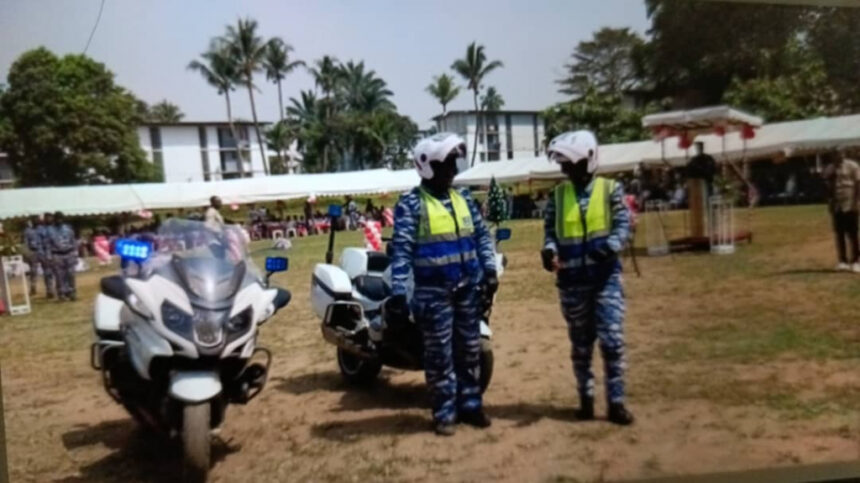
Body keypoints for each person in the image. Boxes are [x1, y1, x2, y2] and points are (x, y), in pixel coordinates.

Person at [388, 133, 498, 436]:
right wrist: (399, 291)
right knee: (440, 358)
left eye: (453, 163)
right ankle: (445, 412)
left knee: (470, 352)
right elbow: (402, 249)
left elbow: (482, 238)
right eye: (445, 164)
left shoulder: (463, 200)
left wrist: (489, 269)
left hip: (467, 291)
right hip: (433, 295)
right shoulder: (411, 203)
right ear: (427, 166)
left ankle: (471, 406)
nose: (452, 170)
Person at [541, 130, 634, 426]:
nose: (567, 170)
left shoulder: (610, 190)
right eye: (564, 165)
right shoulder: (557, 196)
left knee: (612, 341)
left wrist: (611, 247)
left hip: (605, 279)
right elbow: (550, 233)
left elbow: (623, 225)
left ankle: (616, 403)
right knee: (581, 345)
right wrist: (548, 251)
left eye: (572, 164)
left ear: (589, 161)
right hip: (571, 283)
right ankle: (586, 399)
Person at [822, 149, 860, 272]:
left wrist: (857, 200)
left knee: (853, 233)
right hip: (837, 204)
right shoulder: (830, 168)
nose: (838, 156)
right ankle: (842, 260)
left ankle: (856, 260)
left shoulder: (852, 166)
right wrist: (830, 202)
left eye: (840, 153)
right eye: (836, 154)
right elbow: (827, 186)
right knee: (839, 234)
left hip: (850, 202)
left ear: (844, 154)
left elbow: (858, 183)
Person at [23, 216, 55, 298]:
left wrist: (48, 253)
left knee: (47, 272)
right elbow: (26, 243)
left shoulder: (43, 229)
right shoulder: (28, 231)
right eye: (34, 220)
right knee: (33, 272)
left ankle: (49, 290)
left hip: (43, 252)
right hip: (33, 252)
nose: (36, 221)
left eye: (37, 219)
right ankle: (33, 287)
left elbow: (47, 241)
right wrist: (27, 254)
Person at [48, 211, 77, 301]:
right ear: (55, 219)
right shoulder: (50, 230)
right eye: (57, 219)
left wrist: (75, 253)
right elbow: (48, 244)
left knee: (70, 274)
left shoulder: (68, 229)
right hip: (57, 254)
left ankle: (71, 292)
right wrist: (49, 256)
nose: (59, 220)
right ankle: (61, 293)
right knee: (59, 275)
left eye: (60, 218)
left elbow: (73, 242)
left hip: (68, 253)